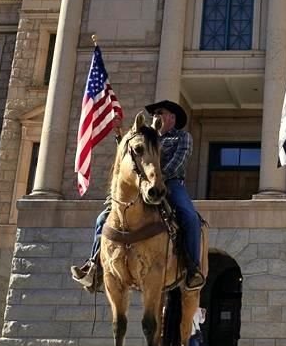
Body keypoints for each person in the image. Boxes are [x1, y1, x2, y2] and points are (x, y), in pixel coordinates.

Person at [70, 99, 204, 291]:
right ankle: (94, 266)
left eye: (161, 112)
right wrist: (119, 135)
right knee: (103, 218)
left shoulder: (182, 138)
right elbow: (129, 157)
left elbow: (178, 162)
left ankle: (192, 268)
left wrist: (156, 180)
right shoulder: (145, 136)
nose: (156, 116)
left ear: (172, 117)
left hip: (170, 184)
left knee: (190, 217)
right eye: (155, 113)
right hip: (141, 186)